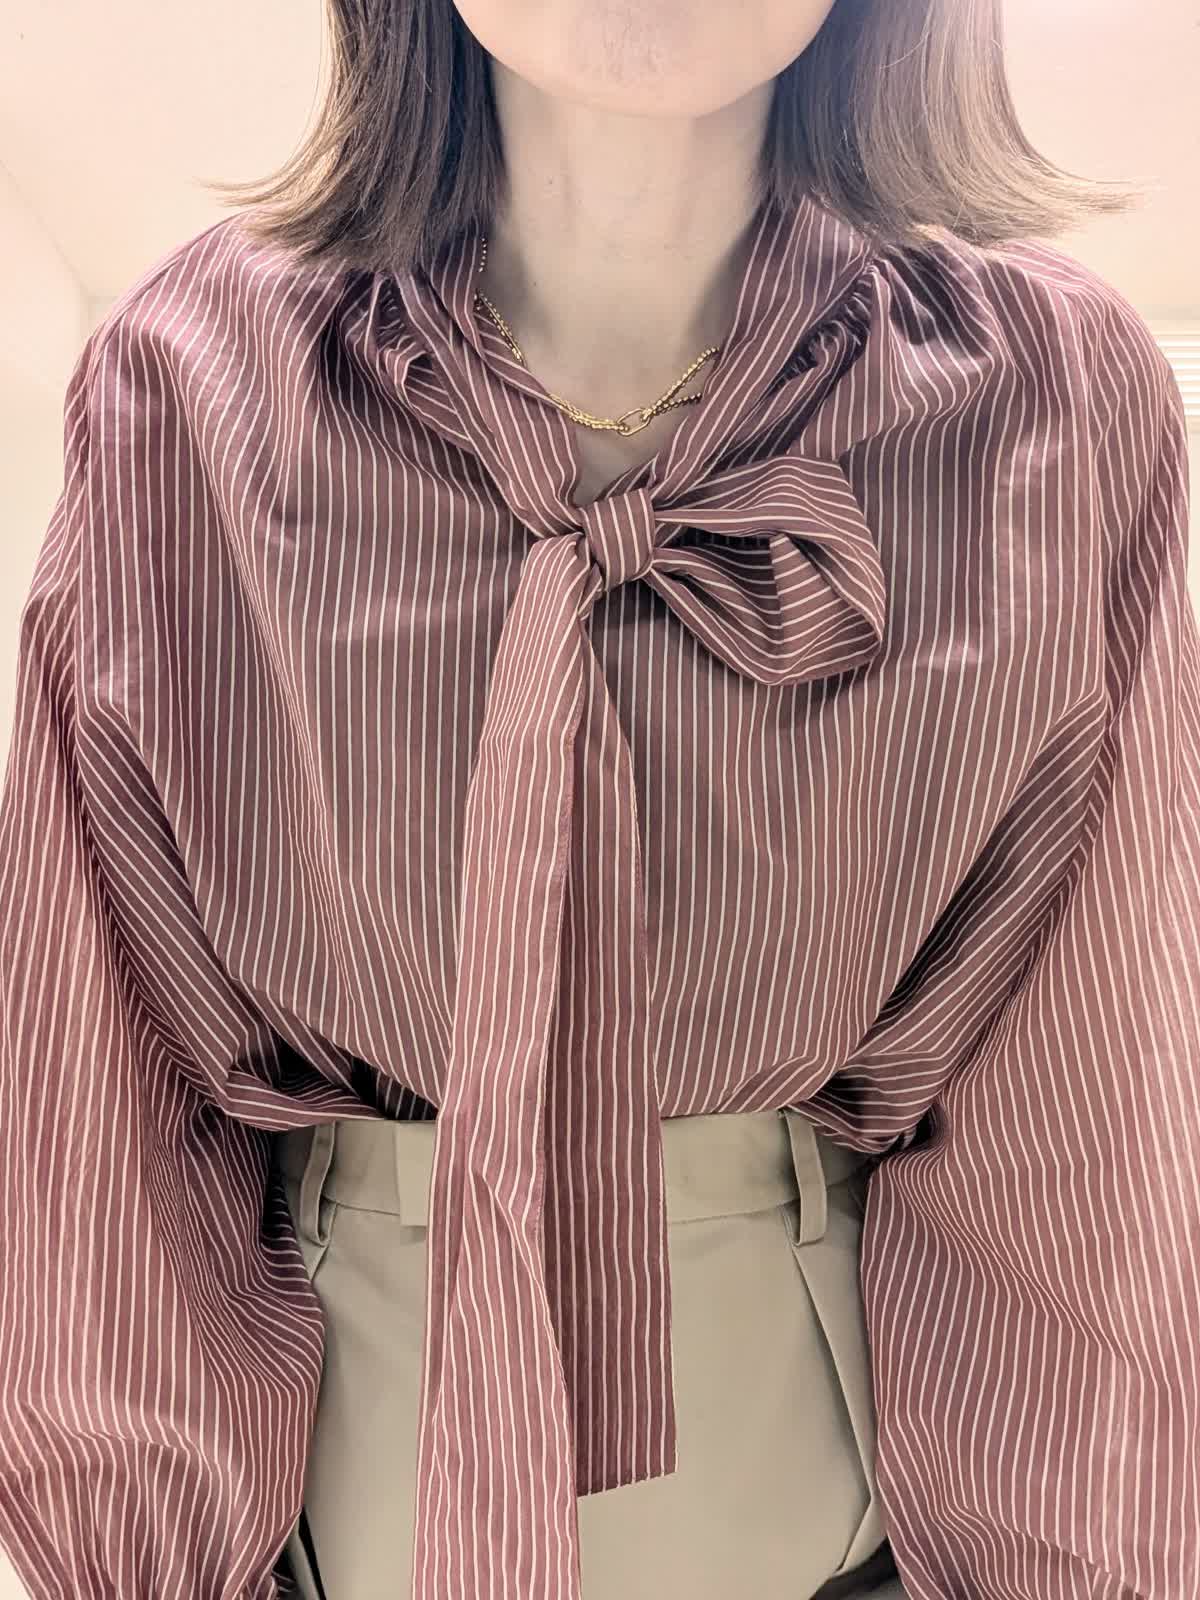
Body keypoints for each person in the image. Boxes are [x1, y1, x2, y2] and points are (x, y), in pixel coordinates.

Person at [1, 0, 1197, 1596]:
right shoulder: (186, 390)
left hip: (853, 1493)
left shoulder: (1056, 401)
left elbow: (1093, 1102)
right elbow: (95, 1084)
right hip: (325, 1488)